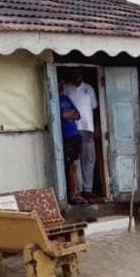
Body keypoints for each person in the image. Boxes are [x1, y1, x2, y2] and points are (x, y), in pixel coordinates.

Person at [63, 69, 99, 197]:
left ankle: (88, 189)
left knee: (88, 159)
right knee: (75, 161)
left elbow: (94, 109)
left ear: (82, 75)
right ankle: (77, 190)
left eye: (78, 73)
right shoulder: (67, 88)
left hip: (88, 128)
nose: (76, 75)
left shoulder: (89, 89)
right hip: (72, 130)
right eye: (74, 73)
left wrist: (96, 127)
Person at [58, 79, 86, 205]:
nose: (62, 85)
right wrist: (69, 114)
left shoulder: (66, 98)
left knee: (74, 165)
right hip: (66, 137)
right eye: (60, 82)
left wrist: (68, 114)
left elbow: (78, 115)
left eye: (63, 83)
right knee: (68, 166)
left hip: (75, 135)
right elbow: (62, 116)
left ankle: (76, 193)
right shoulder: (55, 100)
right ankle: (71, 194)